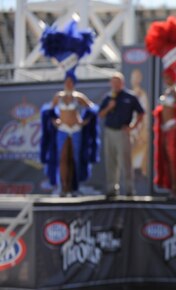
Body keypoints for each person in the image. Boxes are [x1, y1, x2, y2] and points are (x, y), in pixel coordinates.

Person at [38, 20, 99, 197]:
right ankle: (63, 187)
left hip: (76, 129)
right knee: (62, 159)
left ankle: (72, 187)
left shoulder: (78, 97)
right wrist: (54, 121)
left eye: (71, 81)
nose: (69, 83)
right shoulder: (59, 96)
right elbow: (49, 111)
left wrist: (85, 120)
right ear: (64, 81)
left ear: (74, 82)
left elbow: (92, 109)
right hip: (63, 129)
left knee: (74, 159)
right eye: (67, 81)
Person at [98, 72, 145, 198]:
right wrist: (109, 107)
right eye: (113, 82)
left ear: (122, 83)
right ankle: (112, 189)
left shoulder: (130, 96)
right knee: (111, 161)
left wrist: (133, 126)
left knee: (126, 161)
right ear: (110, 84)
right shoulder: (108, 98)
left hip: (123, 132)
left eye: (117, 82)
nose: (115, 85)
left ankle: (129, 189)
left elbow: (141, 113)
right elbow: (101, 114)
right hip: (110, 131)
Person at [129, 69, 150, 178]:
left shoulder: (143, 95)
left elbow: (144, 114)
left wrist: (142, 130)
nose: (135, 80)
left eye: (137, 77)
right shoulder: (129, 94)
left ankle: (140, 172)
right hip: (131, 130)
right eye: (133, 77)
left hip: (140, 129)